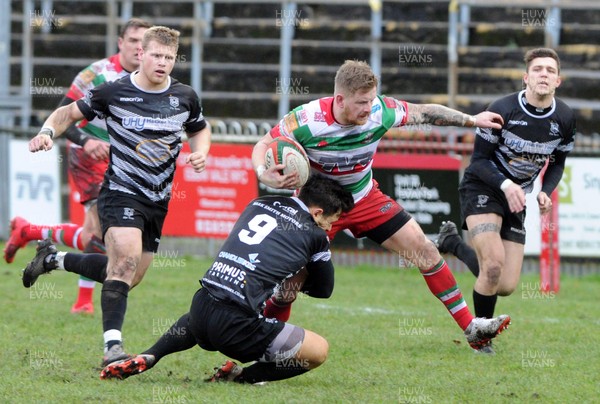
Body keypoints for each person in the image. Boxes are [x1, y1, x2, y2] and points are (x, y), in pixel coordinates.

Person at [251, 59, 512, 352]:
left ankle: (471, 329)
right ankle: (261, 346)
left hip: (364, 198)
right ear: (339, 99)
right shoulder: (306, 120)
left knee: (424, 249)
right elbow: (262, 145)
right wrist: (264, 174)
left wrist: (472, 119)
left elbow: (425, 113)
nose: (368, 108)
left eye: (371, 100)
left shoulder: (380, 110)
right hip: (318, 209)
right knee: (288, 289)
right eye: (361, 102)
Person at [26, 25, 211, 367]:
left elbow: (199, 128)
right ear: (142, 54)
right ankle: (113, 348)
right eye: (156, 55)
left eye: (169, 58)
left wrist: (202, 151)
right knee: (124, 262)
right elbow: (67, 112)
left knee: (129, 275)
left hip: (159, 200)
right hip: (121, 192)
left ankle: (53, 259)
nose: (163, 63)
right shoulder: (113, 91)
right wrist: (47, 132)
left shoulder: (185, 96)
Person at [97, 174, 354, 383]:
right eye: (332, 220)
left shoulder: (258, 203)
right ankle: (240, 377)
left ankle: (151, 355)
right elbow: (324, 290)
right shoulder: (316, 235)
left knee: (218, 299)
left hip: (199, 308)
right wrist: (304, 270)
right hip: (235, 327)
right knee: (319, 350)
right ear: (318, 213)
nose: (331, 228)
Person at [3, 18, 151, 315]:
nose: (138, 47)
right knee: (98, 231)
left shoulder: (151, 79)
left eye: (144, 42)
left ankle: (29, 230)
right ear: (121, 43)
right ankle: (83, 302)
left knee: (94, 236)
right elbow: (62, 116)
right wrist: (86, 142)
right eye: (133, 40)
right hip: (88, 156)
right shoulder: (97, 74)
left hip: (123, 161)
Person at [434, 48, 576, 353]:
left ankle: (453, 244)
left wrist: (543, 190)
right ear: (526, 78)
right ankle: (480, 337)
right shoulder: (502, 108)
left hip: (517, 196)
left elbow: (559, 162)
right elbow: (479, 161)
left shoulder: (565, 117)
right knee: (493, 265)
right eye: (537, 69)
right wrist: (507, 183)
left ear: (558, 81)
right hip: (483, 186)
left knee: (506, 284)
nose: (543, 75)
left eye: (550, 71)